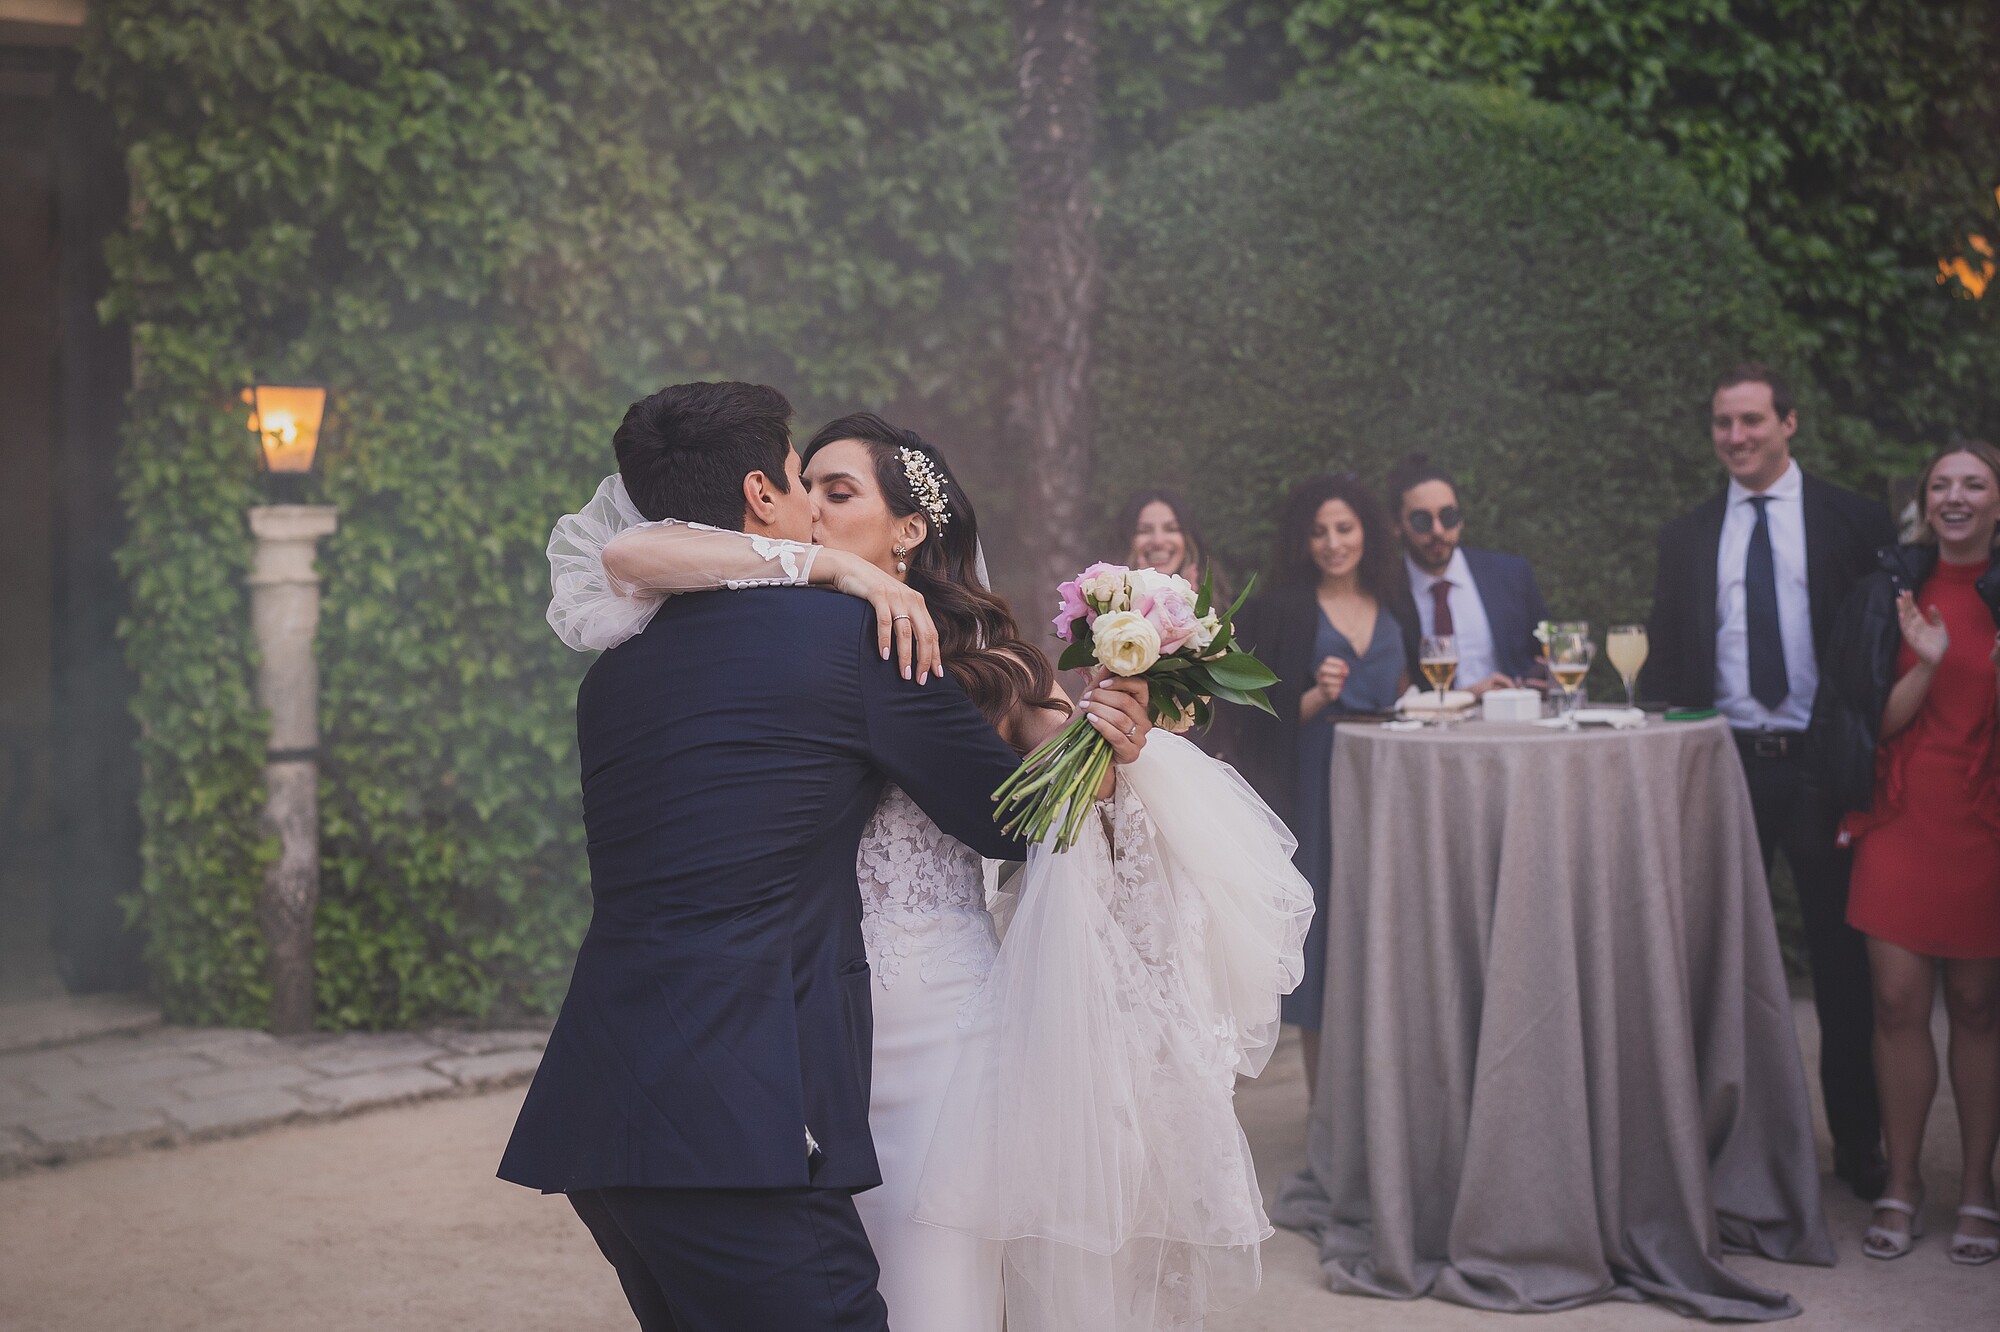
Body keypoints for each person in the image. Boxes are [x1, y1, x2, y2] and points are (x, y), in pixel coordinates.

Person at [536, 403, 1312, 1330]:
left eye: (838, 491)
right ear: (761, 499)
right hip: (793, 1041)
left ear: (912, 526)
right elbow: (633, 553)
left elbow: (1040, 813)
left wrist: (1106, 751)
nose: (816, 511)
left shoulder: (631, 665)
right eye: (803, 484)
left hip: (879, 1026)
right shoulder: (838, 635)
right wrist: (830, 570)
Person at [1643, 362, 1896, 1202]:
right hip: (1724, 768)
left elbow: (1881, 646)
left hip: (1824, 770)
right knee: (1713, 958)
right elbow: (1670, 663)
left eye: (1753, 421)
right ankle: (1720, 1146)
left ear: (1790, 424)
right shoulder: (1684, 537)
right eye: (1724, 424)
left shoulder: (1853, 522)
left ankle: (1859, 1144)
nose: (1737, 438)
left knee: (1842, 962)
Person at [1815, 440, 2000, 1265]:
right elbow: (1870, 726)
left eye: (1974, 484)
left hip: (1987, 824)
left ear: (1998, 501)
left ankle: (1976, 1188)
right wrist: (1927, 664)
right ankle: (1903, 1183)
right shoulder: (1889, 591)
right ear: (1926, 501)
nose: (1955, 497)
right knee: (1894, 1003)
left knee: (1977, 1006)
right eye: (1941, 485)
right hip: (1899, 816)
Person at [1231, 473, 1419, 1093]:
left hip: (1392, 789)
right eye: (1319, 532)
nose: (1334, 543)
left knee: (1390, 929)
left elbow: (1413, 690)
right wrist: (1315, 695)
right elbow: (1253, 718)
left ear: (1367, 530)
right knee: (1326, 939)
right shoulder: (1283, 609)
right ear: (1302, 541)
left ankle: (1395, 1100)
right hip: (1316, 789)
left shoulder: (1396, 601)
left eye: (1345, 528)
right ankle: (1325, 1114)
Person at [1385, 452, 1548, 695]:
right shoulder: (1386, 590)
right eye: (1422, 520)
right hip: (1428, 730)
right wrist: (1469, 695)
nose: (1438, 531)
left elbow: (1544, 653)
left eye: (1448, 516)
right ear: (1397, 526)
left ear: (1461, 519)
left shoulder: (1510, 575)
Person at [1112, 487, 1223, 591]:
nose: (1158, 541)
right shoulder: (1100, 606)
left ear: (1189, 540)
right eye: (1143, 531)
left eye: (1171, 529)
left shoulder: (1232, 608)